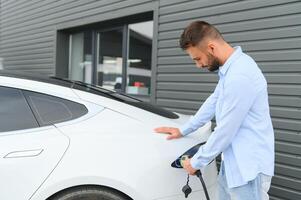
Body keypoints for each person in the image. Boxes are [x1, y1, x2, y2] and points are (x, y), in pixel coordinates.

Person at [154, 21, 274, 200]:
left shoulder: (240, 75)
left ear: (211, 47)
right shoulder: (231, 69)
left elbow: (226, 129)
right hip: (234, 164)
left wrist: (196, 162)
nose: (198, 65)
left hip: (248, 170)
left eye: (197, 58)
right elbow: (214, 100)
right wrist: (184, 129)